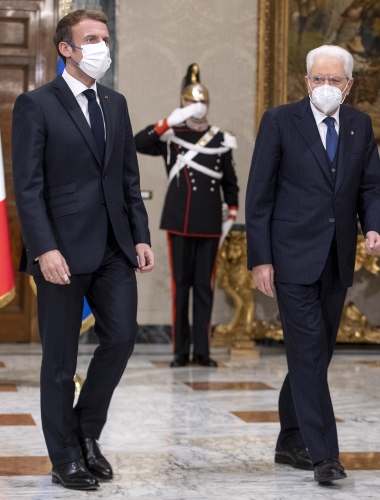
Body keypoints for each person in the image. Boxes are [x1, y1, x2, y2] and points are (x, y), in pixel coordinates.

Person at [12, 9, 154, 491]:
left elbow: (128, 179)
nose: (101, 47)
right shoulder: (36, 104)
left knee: (122, 337)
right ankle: (65, 457)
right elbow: (28, 187)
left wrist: (140, 235)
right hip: (61, 252)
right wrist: (44, 248)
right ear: (66, 49)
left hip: (115, 246)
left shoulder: (115, 102)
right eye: (91, 39)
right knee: (59, 361)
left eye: (105, 38)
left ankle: (86, 432)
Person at [245, 45, 380, 483]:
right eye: (318, 79)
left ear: (349, 85)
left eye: (334, 80)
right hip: (291, 257)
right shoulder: (279, 121)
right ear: (306, 81)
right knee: (308, 352)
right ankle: (324, 455)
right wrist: (261, 259)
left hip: (337, 257)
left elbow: (373, 185)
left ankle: (290, 440)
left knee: (316, 354)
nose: (326, 86)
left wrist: (373, 227)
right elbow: (259, 195)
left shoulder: (360, 124)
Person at [134, 64, 239, 368]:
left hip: (210, 222)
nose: (198, 106)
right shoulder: (172, 137)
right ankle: (180, 351)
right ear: (183, 104)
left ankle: (202, 351)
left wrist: (232, 211)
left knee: (204, 287)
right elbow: (138, 142)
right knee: (181, 287)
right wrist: (169, 121)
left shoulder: (220, 139)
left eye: (202, 101)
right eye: (192, 102)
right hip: (180, 220)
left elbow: (230, 182)